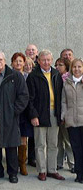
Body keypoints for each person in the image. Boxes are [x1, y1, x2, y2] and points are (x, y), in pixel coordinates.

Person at [0, 52, 29, 183]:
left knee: (11, 145)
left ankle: (12, 173)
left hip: (9, 115)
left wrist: (13, 111)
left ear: (5, 61)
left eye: (0, 60)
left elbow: (23, 96)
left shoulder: (15, 75)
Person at [26, 50, 65, 181]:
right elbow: (29, 99)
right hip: (40, 113)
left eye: (48, 60)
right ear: (38, 61)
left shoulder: (56, 75)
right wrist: (33, 115)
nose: (46, 62)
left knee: (53, 144)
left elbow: (61, 96)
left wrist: (61, 115)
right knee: (40, 144)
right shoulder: (33, 76)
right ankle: (42, 170)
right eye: (43, 60)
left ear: (52, 60)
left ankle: (52, 170)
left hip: (55, 113)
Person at [10, 53, 33, 176]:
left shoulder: (29, 77)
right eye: (16, 61)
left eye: (20, 61)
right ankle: (13, 163)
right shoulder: (9, 75)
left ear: (24, 63)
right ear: (12, 63)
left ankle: (22, 163)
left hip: (25, 111)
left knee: (24, 138)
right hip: (13, 110)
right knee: (14, 137)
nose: (18, 63)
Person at [62, 58, 83, 183]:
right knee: (76, 148)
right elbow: (63, 101)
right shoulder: (67, 83)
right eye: (74, 67)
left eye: (79, 67)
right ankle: (79, 174)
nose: (77, 69)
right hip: (72, 121)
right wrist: (64, 115)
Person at [55, 57, 74, 172]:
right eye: (56, 65)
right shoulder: (56, 78)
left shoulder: (68, 79)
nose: (57, 67)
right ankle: (58, 162)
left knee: (68, 141)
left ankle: (72, 163)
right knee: (58, 141)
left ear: (66, 66)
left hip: (66, 114)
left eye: (60, 65)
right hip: (56, 114)